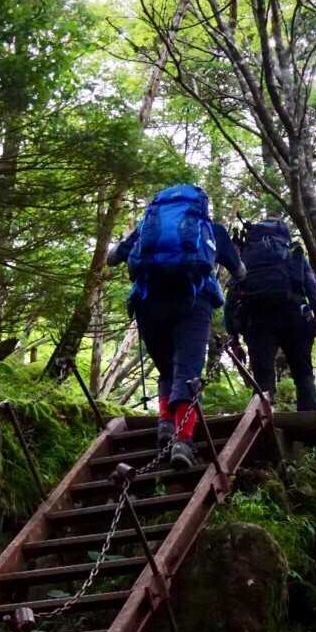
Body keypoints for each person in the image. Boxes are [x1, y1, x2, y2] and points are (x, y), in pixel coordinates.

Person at [107, 183, 243, 469]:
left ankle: (165, 425)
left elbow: (112, 258)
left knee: (167, 368)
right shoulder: (212, 229)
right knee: (188, 369)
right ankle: (183, 441)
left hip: (148, 303)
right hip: (193, 302)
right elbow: (240, 271)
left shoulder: (147, 228)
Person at [226, 218, 316, 411]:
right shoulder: (293, 252)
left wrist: (234, 336)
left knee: (262, 378)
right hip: (294, 316)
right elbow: (311, 284)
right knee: (303, 373)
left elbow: (232, 296)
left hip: (256, 319)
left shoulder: (245, 256)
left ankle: (261, 420)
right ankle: (309, 418)